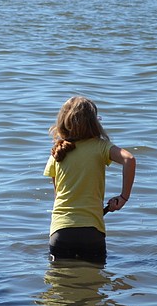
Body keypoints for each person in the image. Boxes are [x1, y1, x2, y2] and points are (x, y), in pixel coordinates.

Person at [44, 96, 136, 264]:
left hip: (61, 231)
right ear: (94, 122)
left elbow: (58, 195)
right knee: (94, 287)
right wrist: (123, 197)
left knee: (61, 286)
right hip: (91, 232)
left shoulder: (58, 153)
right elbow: (129, 159)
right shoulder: (100, 146)